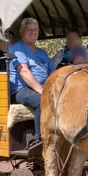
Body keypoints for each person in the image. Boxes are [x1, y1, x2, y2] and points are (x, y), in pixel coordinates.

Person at [9, 17, 55, 148]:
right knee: (43, 101)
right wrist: (41, 90)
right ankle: (39, 139)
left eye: (35, 30)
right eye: (29, 30)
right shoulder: (17, 49)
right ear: (22, 32)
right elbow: (24, 72)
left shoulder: (42, 52)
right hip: (21, 89)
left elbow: (53, 73)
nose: (33, 32)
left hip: (42, 87)